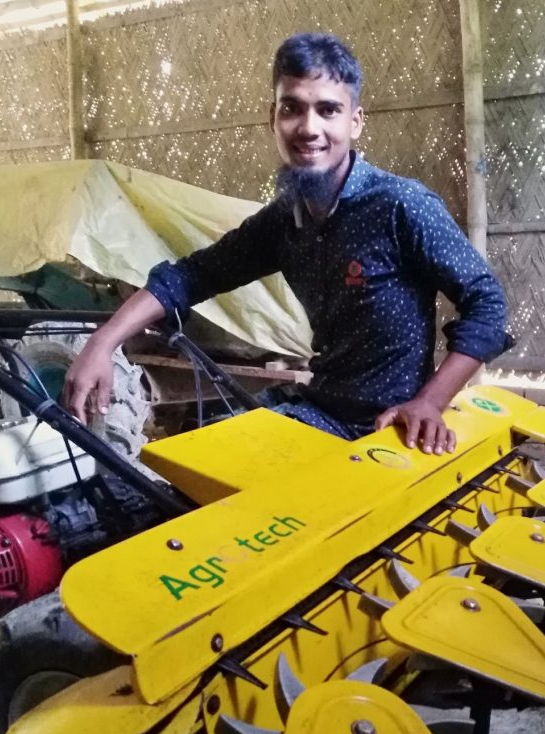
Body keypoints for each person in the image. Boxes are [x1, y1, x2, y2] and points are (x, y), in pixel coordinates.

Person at [64, 32, 510, 455]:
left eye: (329, 110)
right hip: (321, 411)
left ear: (355, 122)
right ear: (273, 118)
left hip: (388, 426)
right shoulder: (283, 222)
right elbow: (192, 276)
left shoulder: (400, 206)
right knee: (196, 458)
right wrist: (102, 343)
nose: (309, 128)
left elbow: (486, 303)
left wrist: (430, 403)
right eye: (292, 108)